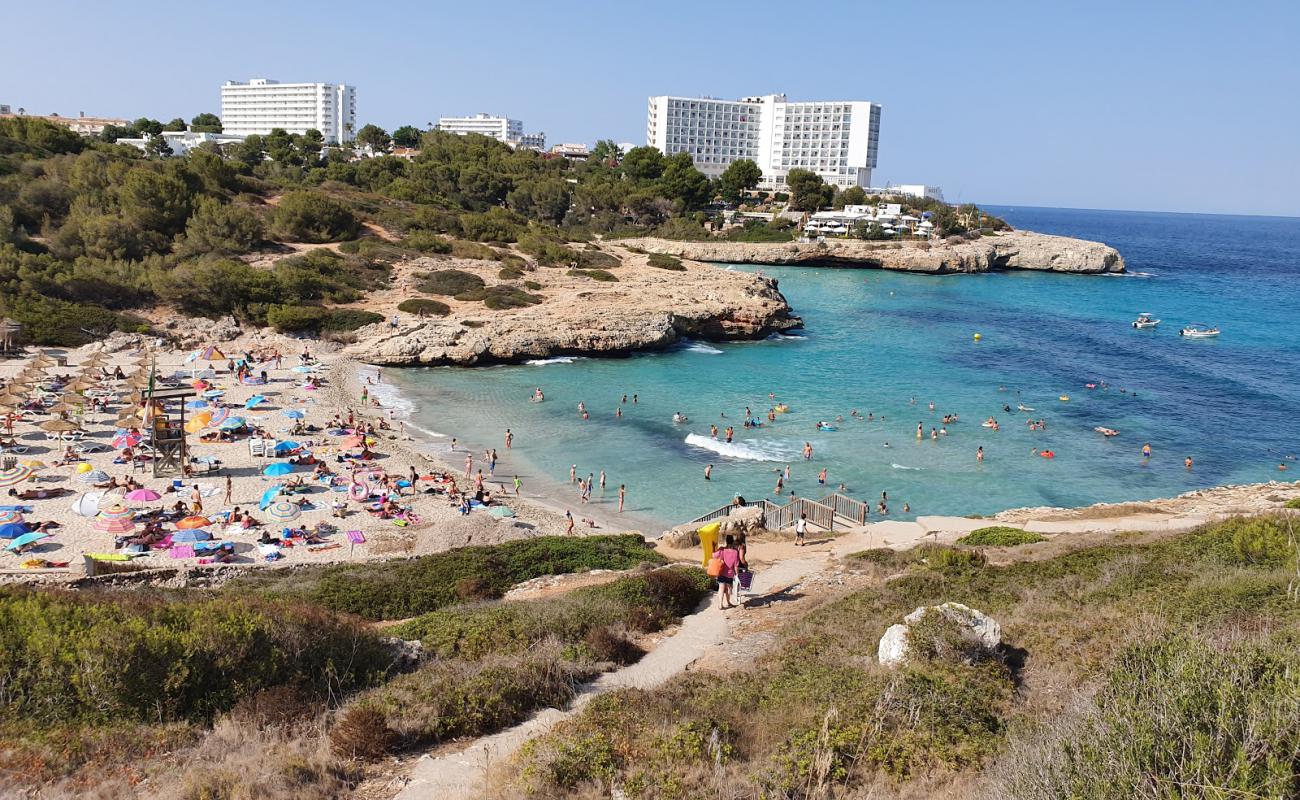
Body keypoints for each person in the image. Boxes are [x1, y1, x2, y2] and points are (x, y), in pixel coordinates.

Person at [714, 534, 742, 609]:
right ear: (732, 542)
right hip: (730, 574)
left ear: (726, 541)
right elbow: (736, 565)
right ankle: (728, 602)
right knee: (729, 589)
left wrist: (713, 546)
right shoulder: (735, 552)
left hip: (721, 572)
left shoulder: (722, 549)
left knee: (721, 588)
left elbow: (713, 556)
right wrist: (737, 574)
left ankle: (720, 605)